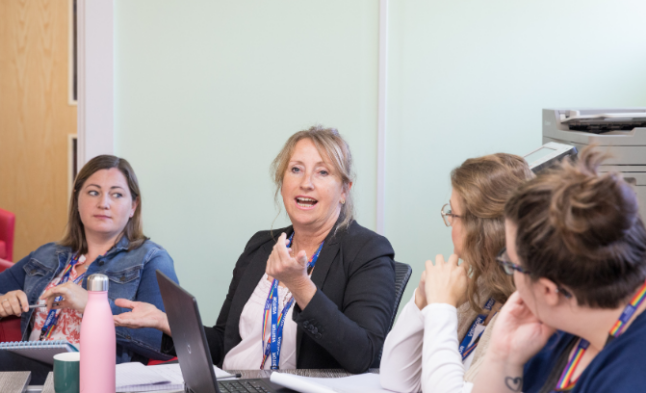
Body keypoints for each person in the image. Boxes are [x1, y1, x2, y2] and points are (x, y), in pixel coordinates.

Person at [114, 125, 396, 373]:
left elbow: (363, 354)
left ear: (344, 189)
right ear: (282, 181)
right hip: (235, 384)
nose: (306, 183)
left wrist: (299, 285)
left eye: (322, 172)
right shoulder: (260, 246)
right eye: (296, 169)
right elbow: (224, 344)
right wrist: (168, 322)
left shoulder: (368, 251)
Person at [0, 155, 178, 384]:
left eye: (117, 194)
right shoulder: (48, 255)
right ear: (77, 200)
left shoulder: (151, 259)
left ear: (133, 206)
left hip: (99, 377)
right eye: (93, 192)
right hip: (39, 368)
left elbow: (160, 340)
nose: (104, 203)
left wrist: (93, 305)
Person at [471, 147, 646, 393]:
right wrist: (503, 355)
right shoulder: (557, 328)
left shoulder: (631, 380)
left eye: (511, 264)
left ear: (548, 290)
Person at [380, 153, 533, 393]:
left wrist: (441, 308)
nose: (450, 222)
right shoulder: (481, 285)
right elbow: (395, 380)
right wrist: (421, 303)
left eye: (453, 214)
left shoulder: (527, 311)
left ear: (482, 228)